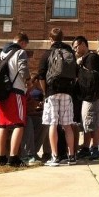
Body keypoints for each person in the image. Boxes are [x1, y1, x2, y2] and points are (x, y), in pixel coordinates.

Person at [38, 27, 78, 166]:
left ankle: (54, 156)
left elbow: (41, 76)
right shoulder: (69, 52)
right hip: (67, 92)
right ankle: (71, 156)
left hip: (52, 92)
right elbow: (76, 73)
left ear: (50, 39)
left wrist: (45, 92)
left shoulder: (47, 54)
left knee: (53, 124)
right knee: (67, 125)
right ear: (62, 37)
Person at [0, 32, 30, 167]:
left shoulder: (0, 54)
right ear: (22, 42)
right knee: (19, 124)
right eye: (25, 44)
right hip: (16, 91)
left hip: (2, 93)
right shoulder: (20, 53)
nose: (25, 47)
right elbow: (23, 70)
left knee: (2, 125)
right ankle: (14, 157)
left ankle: (1, 157)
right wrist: (28, 81)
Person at [72, 36, 99, 160]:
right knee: (86, 121)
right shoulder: (84, 59)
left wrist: (80, 66)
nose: (75, 49)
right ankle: (86, 148)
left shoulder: (91, 58)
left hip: (92, 95)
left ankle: (95, 148)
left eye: (76, 46)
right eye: (74, 47)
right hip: (87, 96)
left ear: (84, 45)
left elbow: (91, 79)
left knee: (92, 122)